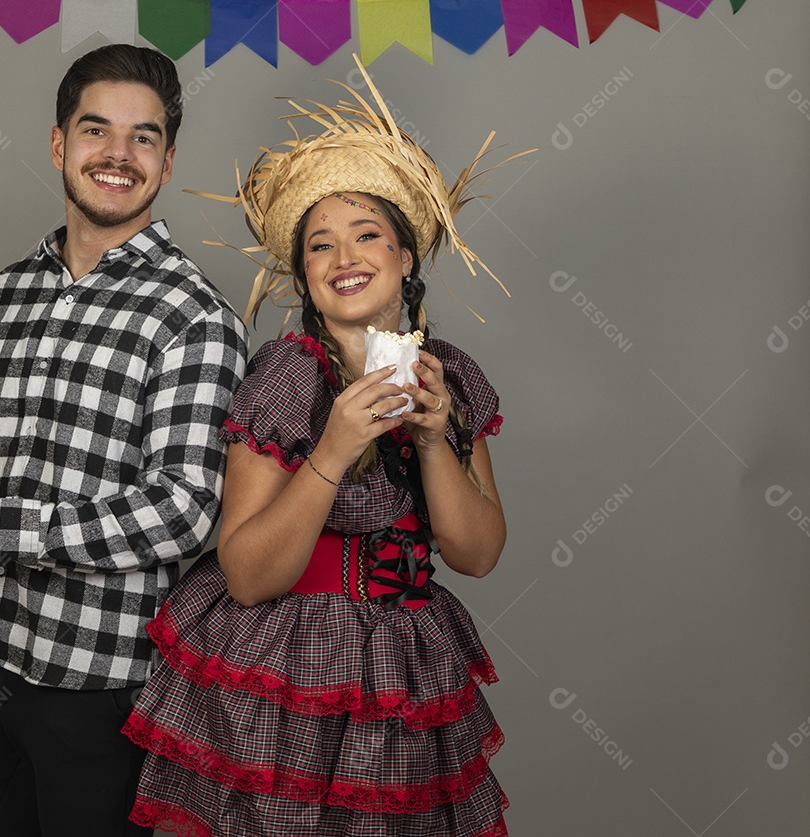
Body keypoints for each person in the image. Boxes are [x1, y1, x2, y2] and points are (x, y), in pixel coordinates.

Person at [121, 58, 525, 837]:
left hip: (405, 672)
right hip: (284, 664)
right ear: (304, 277)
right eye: (320, 246)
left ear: (406, 256)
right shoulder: (286, 376)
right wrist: (334, 448)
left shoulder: (454, 378)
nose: (345, 259)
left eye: (366, 235)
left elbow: (476, 554)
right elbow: (245, 574)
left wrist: (436, 438)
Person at [0, 44, 248, 836]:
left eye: (143, 137)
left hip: (103, 684)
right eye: (96, 130)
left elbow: (183, 510)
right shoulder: (5, 295)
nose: (118, 154)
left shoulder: (197, 317)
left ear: (167, 160)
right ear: (58, 144)